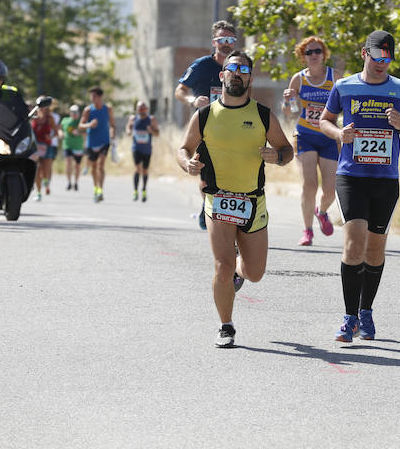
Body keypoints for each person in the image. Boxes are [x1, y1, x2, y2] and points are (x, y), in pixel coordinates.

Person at [177, 50, 294, 348]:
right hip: (217, 200)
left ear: (250, 78)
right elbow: (183, 149)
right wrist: (187, 164)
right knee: (222, 266)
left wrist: (277, 157)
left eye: (243, 70)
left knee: (254, 273)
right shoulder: (204, 115)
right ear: (222, 75)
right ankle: (226, 326)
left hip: (253, 202)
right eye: (232, 69)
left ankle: (240, 273)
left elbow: (287, 150)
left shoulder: (262, 114)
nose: (237, 74)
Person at [319, 30, 400, 343]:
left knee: (375, 250)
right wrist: (338, 135)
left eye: (387, 58)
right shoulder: (344, 86)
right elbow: (324, 120)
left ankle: (366, 311)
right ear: (365, 53)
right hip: (351, 176)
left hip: (385, 180)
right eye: (377, 57)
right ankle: (348, 318)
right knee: (354, 243)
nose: (382, 63)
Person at [175, 20, 239, 229]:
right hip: (205, 128)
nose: (226, 44)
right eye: (222, 39)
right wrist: (192, 101)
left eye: (230, 40)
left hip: (232, 129)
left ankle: (220, 208)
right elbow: (180, 91)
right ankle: (207, 205)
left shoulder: (238, 67)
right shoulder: (202, 65)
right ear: (215, 42)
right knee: (206, 175)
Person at [282, 36, 341, 246]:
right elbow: (290, 112)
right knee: (309, 185)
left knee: (330, 190)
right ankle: (307, 231)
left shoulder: (335, 77)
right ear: (303, 57)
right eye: (309, 52)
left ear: (324, 54)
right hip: (305, 136)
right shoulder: (298, 80)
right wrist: (288, 100)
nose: (314, 55)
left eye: (317, 51)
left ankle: (322, 212)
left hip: (328, 137)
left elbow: (346, 104)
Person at [79, 87, 115, 202]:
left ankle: (100, 190)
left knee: (101, 165)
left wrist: (112, 134)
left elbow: (113, 125)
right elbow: (80, 126)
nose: (92, 98)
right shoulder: (88, 110)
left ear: (100, 97)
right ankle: (95, 188)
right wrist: (89, 125)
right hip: (92, 142)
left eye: (94, 96)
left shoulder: (108, 109)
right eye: (91, 96)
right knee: (94, 167)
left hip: (104, 141)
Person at [125, 100, 160, 202]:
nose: (142, 111)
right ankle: (135, 191)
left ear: (147, 109)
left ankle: (144, 189)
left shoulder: (151, 119)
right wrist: (128, 131)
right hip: (136, 148)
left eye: (144, 109)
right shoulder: (133, 118)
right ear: (137, 109)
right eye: (140, 109)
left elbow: (157, 133)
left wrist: (151, 131)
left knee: (144, 170)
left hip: (147, 149)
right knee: (137, 169)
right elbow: (128, 127)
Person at [31, 96, 60, 201]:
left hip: (46, 146)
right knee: (37, 169)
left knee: (46, 170)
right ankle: (39, 192)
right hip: (36, 146)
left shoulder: (50, 118)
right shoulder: (34, 116)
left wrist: (51, 137)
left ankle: (46, 182)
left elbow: (56, 132)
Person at [60, 104, 84, 191]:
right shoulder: (65, 120)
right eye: (72, 112)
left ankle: (76, 182)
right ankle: (69, 182)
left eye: (76, 112)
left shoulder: (81, 122)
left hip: (78, 146)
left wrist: (79, 133)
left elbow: (87, 132)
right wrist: (60, 133)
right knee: (68, 163)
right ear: (70, 112)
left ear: (79, 113)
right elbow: (60, 129)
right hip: (67, 145)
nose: (74, 114)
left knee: (77, 165)